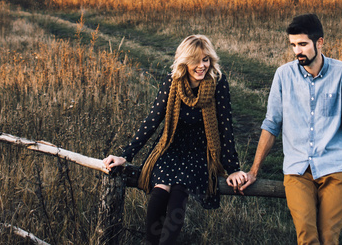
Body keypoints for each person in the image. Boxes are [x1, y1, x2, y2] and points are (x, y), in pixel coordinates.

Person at [228, 13, 342, 245]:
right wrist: (254, 171)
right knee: (307, 237)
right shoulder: (283, 75)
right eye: (293, 45)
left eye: (302, 44)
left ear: (319, 42)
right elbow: (271, 125)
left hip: (335, 168)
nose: (297, 51)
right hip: (297, 170)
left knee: (328, 239)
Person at [103, 34, 245, 245]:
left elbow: (225, 128)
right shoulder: (173, 81)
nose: (201, 66)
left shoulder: (218, 83)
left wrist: (233, 168)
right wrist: (125, 155)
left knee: (179, 194)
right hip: (170, 147)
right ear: (184, 62)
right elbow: (152, 120)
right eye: (195, 60)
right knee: (161, 192)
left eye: (205, 59)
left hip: (199, 152)